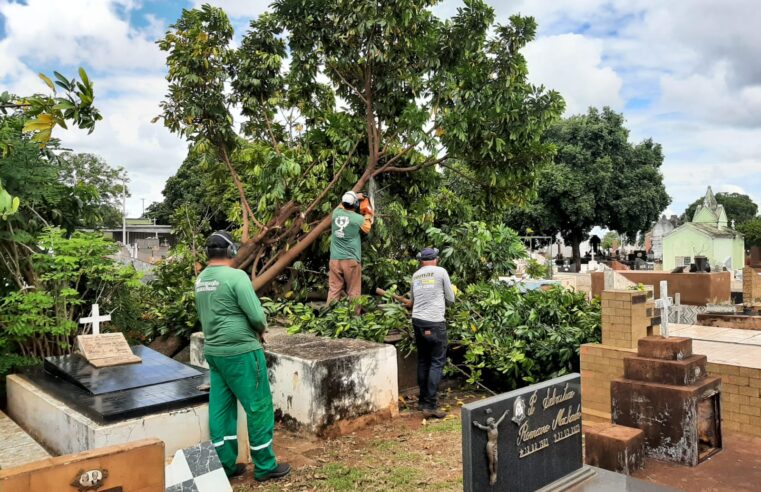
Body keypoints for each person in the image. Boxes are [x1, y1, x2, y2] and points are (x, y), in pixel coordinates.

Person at [194, 231, 290, 482]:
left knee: (221, 409)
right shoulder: (236, 277)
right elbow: (257, 316)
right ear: (231, 252)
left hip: (214, 352)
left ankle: (224, 464)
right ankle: (265, 466)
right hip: (242, 351)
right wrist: (261, 330)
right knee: (258, 406)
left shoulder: (201, 279)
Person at [409, 247, 455, 419]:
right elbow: (451, 299)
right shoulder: (441, 272)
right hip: (435, 322)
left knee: (423, 360)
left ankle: (422, 401)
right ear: (436, 259)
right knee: (436, 362)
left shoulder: (416, 275)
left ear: (421, 261)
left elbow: (412, 301)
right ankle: (430, 405)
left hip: (418, 322)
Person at [327, 190, 373, 303]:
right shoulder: (358, 218)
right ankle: (354, 319)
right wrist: (368, 214)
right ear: (356, 204)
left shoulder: (335, 213)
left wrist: (356, 196)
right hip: (350, 260)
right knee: (354, 292)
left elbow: (340, 205)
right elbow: (367, 228)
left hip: (335, 259)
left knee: (333, 290)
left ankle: (327, 317)